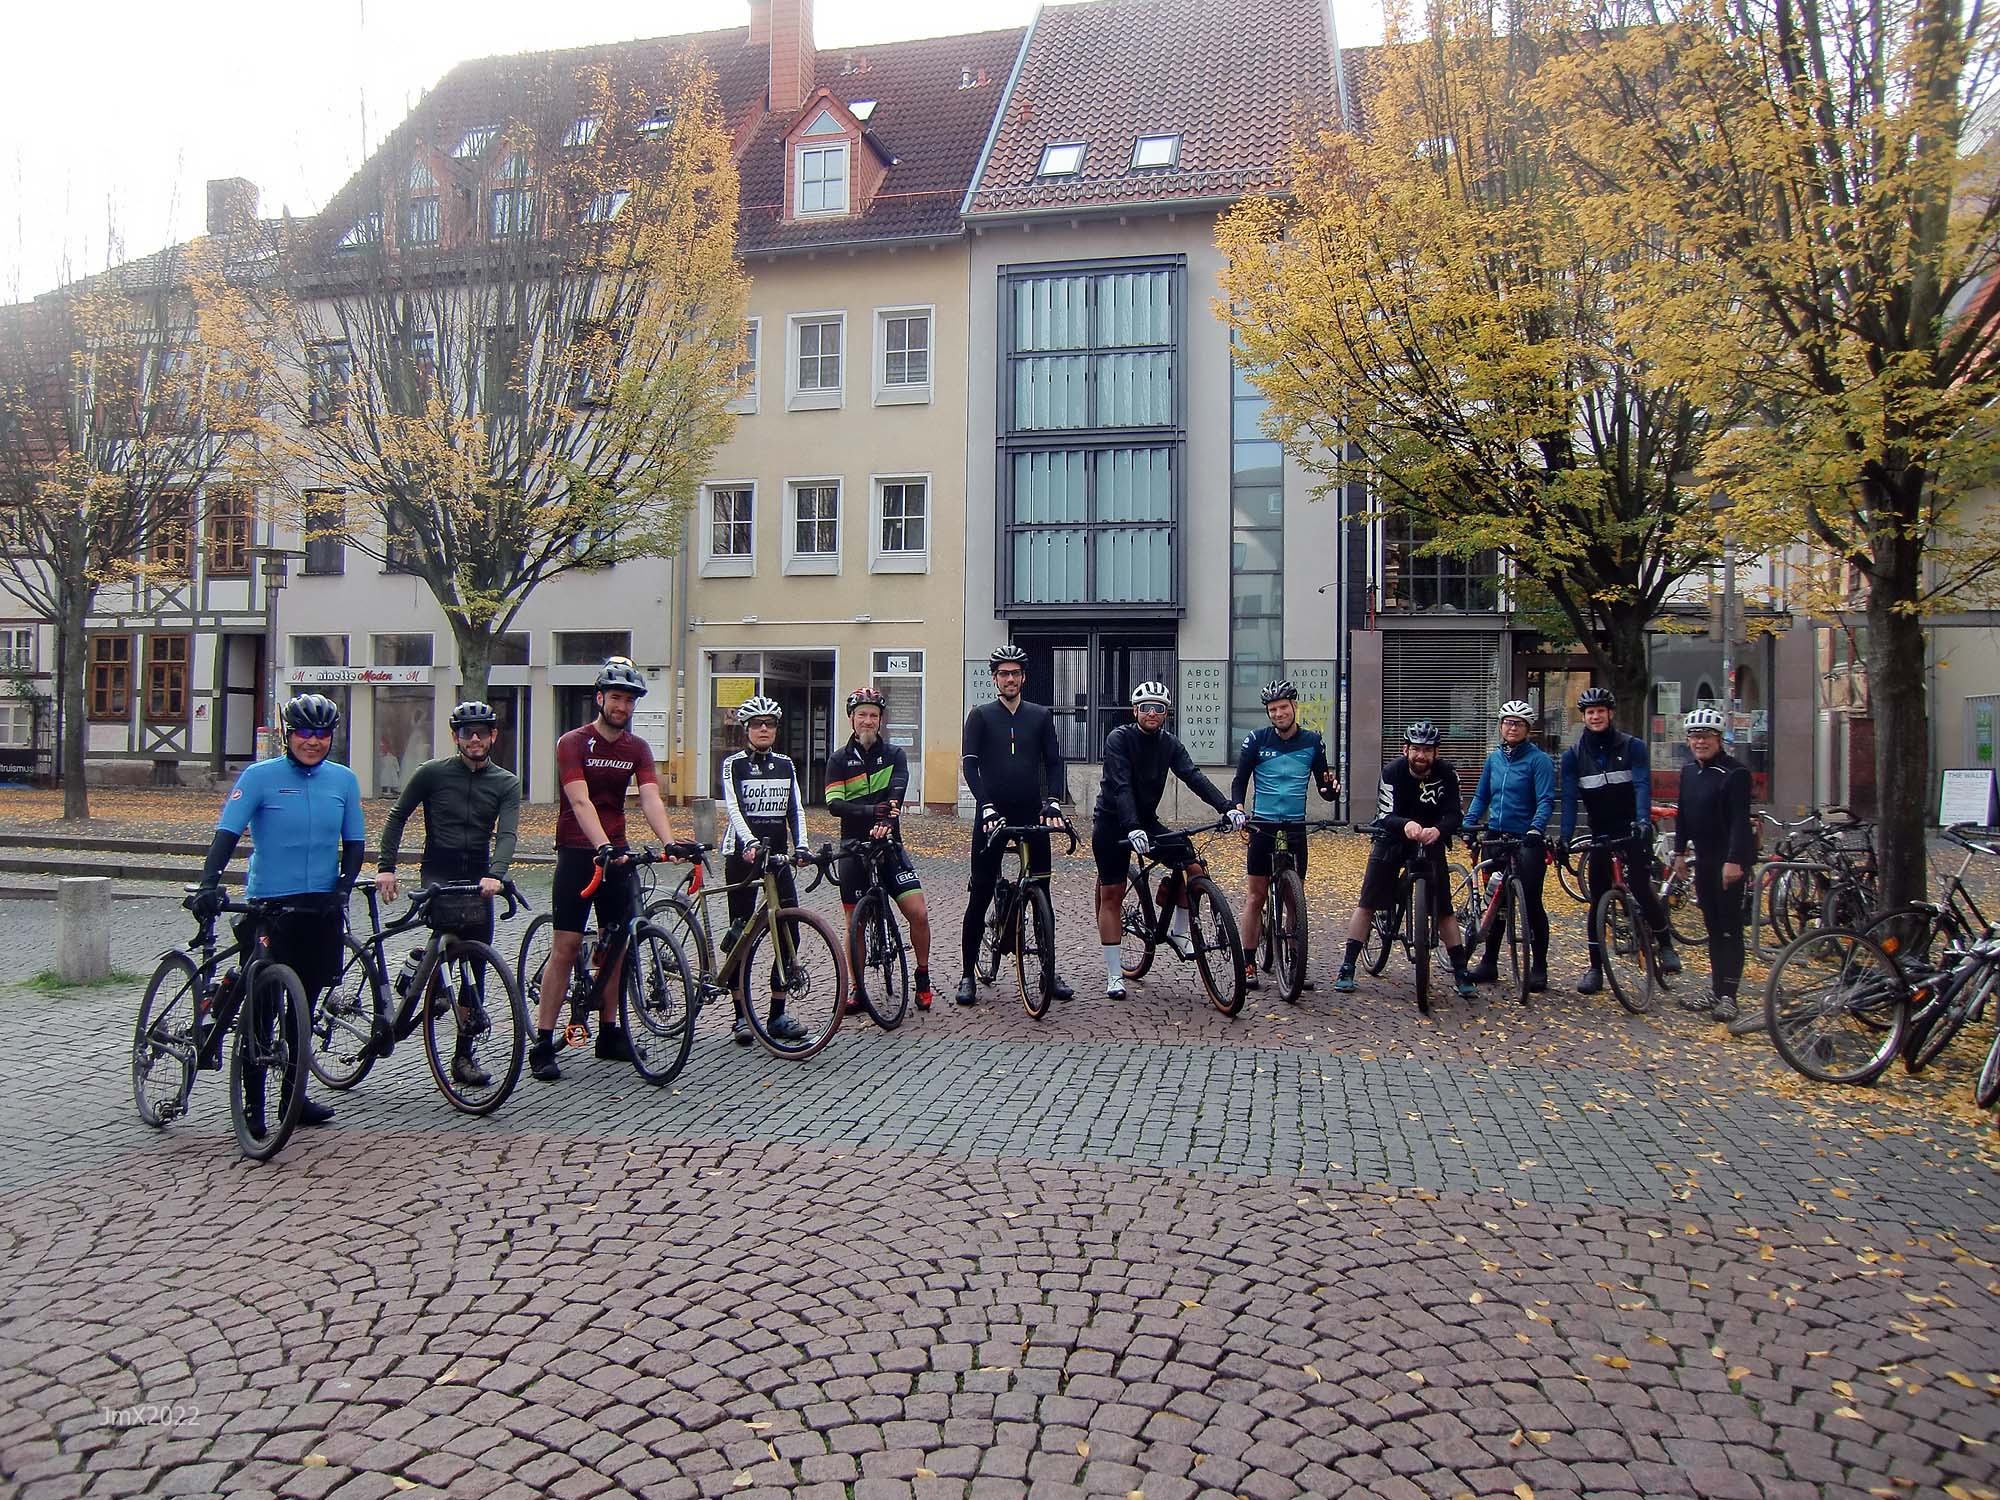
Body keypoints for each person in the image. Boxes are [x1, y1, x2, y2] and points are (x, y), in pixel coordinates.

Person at [187, 693, 365, 1129]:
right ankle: (253, 1106)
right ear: (288, 734)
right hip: (269, 905)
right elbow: (226, 835)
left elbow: (355, 844)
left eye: (322, 733)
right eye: (304, 732)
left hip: (318, 908)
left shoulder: (343, 780)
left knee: (302, 1008)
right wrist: (209, 884)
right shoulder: (260, 776)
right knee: (263, 1010)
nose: (313, 741)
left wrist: (342, 889)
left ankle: (293, 1099)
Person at [531, 657, 681, 1083]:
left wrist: (669, 841)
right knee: (566, 946)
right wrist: (601, 846)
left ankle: (609, 1031)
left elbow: (650, 798)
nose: (622, 706)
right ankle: (543, 1040)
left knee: (619, 944)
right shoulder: (573, 742)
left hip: (618, 855)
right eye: (616, 697)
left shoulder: (637, 748)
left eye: (629, 700)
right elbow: (579, 801)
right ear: (599, 698)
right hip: (579, 852)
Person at [374, 699, 523, 1087]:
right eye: (466, 733)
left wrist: (495, 875)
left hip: (478, 877)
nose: (474, 739)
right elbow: (397, 816)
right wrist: (386, 867)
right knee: (444, 932)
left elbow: (507, 834)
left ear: (493, 736)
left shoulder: (506, 782)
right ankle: (430, 973)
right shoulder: (432, 773)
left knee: (475, 966)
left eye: (481, 733)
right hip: (438, 872)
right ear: (455, 737)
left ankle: (463, 1057)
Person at [1093, 682, 1244, 998]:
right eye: (1146, 707)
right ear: (1135, 711)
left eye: (1159, 708)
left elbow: (1193, 776)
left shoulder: (1169, 743)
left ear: (1166, 713)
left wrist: (1227, 807)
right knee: (1112, 893)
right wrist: (1131, 826)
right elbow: (1121, 785)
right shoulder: (1119, 738)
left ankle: (1179, 930)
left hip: (1146, 821)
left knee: (1192, 864)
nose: (1152, 713)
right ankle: (1115, 974)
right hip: (1112, 822)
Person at [958, 643, 1070, 1007]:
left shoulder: (1039, 715)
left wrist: (1052, 801)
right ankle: (967, 974)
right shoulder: (980, 716)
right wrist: (985, 805)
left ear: (1024, 677)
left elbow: (1053, 762)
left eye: (1015, 673)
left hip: (1030, 811)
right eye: (1004, 673)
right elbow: (970, 765)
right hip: (992, 813)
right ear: (995, 678)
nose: (1010, 679)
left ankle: (1048, 972)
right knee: (980, 892)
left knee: (1042, 891)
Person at [1333, 720, 1477, 997]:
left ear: (1436, 752)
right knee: (1368, 902)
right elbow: (1385, 814)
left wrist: (1439, 830)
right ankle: (1348, 965)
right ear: (1405, 750)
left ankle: (1461, 971)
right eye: (1416, 749)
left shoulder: (1448, 774)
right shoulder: (1392, 772)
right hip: (1393, 837)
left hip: (1430, 838)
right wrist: (1405, 825)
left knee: (1444, 908)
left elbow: (1454, 813)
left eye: (1427, 750)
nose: (1421, 755)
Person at [1556, 686, 1682, 994]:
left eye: (1600, 711)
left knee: (1640, 885)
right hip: (1600, 832)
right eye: (1590, 712)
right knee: (1597, 899)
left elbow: (1641, 785)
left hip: (1630, 828)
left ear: (1610, 713)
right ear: (1584, 717)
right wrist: (1564, 838)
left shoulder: (1633, 746)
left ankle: (1666, 945)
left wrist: (1642, 821)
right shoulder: (1574, 757)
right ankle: (1595, 968)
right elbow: (1570, 800)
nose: (1595, 716)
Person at [826, 686, 934, 1011]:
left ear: (880, 720)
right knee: (854, 923)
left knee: (918, 912)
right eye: (862, 715)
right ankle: (857, 988)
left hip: (888, 844)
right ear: (851, 719)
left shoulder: (894, 755)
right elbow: (835, 805)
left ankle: (923, 976)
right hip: (853, 849)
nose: (868, 721)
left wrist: (885, 819)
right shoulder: (838, 760)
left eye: (873, 715)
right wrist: (871, 812)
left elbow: (896, 794)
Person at [1230, 680, 1338, 991]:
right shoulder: (1256, 740)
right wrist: (1239, 809)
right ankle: (1248, 962)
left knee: (1294, 899)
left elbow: (1324, 786)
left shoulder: (1313, 742)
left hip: (1294, 827)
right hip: (1262, 825)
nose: (1278, 714)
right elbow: (1240, 781)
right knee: (1256, 896)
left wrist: (1331, 790)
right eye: (1272, 710)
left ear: (1294, 707)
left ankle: (1294, 960)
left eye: (1283, 708)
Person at [718, 696, 811, 1046]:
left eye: (769, 724)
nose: (763, 729)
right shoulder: (733, 764)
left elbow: (795, 809)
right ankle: (740, 1015)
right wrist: (751, 843)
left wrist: (802, 846)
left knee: (789, 933)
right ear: (746, 729)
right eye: (756, 724)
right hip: (744, 856)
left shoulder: (785, 765)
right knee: (741, 933)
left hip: (777, 858)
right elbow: (734, 808)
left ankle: (777, 1013)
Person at [1669, 706, 1755, 1022]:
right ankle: (1716, 989)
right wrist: (1679, 852)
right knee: (1713, 927)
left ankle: (1729, 995)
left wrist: (1734, 860)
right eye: (1694, 737)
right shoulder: (1690, 772)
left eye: (1706, 736)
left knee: (1730, 929)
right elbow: (1684, 814)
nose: (1700, 742)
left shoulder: (1735, 774)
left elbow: (1740, 821)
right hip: (1704, 859)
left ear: (1719, 739)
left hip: (1727, 860)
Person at [1464, 700, 1556, 992]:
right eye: (1507, 722)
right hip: (1496, 836)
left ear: (1527, 729)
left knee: (1531, 902)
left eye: (1518, 723)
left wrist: (1536, 828)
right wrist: (1469, 823)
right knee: (1496, 901)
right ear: (1501, 726)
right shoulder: (1494, 759)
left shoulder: (1538, 761)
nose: (1512, 727)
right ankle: (1489, 962)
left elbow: (1545, 799)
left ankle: (1539, 966)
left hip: (1526, 839)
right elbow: (1481, 796)